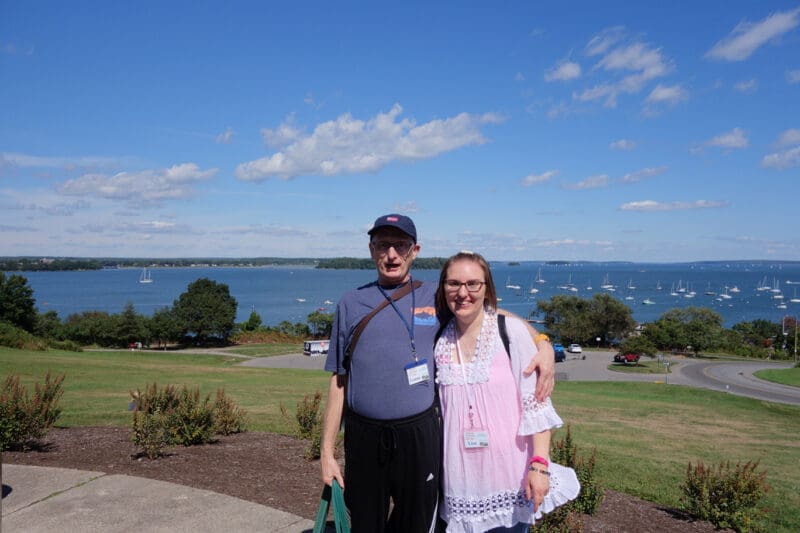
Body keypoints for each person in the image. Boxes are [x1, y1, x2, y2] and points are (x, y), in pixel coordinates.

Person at [320, 214, 556, 533]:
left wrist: (541, 341)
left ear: (415, 250)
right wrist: (327, 452)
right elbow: (338, 381)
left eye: (401, 246)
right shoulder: (350, 303)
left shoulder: (435, 295)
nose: (392, 255)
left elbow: (484, 310)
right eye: (383, 245)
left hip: (419, 435)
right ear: (371, 249)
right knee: (365, 523)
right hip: (364, 435)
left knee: (417, 524)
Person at [433, 251, 580, 532]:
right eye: (453, 283)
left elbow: (536, 405)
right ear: (443, 288)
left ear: (486, 288)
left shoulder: (509, 332)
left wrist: (540, 465)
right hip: (460, 484)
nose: (462, 293)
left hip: (512, 481)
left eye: (473, 284)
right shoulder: (439, 338)